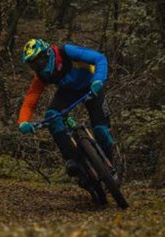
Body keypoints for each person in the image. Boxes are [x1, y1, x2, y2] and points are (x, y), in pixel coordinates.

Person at [18, 38, 116, 181]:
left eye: (38, 62)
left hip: (92, 85)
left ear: (47, 54)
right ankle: (73, 160)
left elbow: (99, 58)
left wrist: (98, 79)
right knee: (52, 115)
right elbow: (30, 99)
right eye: (33, 66)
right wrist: (23, 122)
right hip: (68, 92)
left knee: (101, 131)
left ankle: (109, 165)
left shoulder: (66, 51)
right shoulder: (41, 76)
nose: (38, 68)